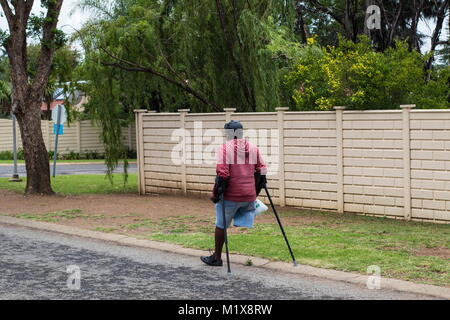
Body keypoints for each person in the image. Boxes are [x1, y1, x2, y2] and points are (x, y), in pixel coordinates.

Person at [201, 120, 267, 267]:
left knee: (221, 224)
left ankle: (217, 258)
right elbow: (262, 169)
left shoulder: (224, 149)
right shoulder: (254, 148)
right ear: (241, 132)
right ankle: (243, 218)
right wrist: (256, 191)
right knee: (239, 210)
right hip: (249, 197)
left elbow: (222, 175)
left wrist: (215, 195)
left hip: (231, 197)